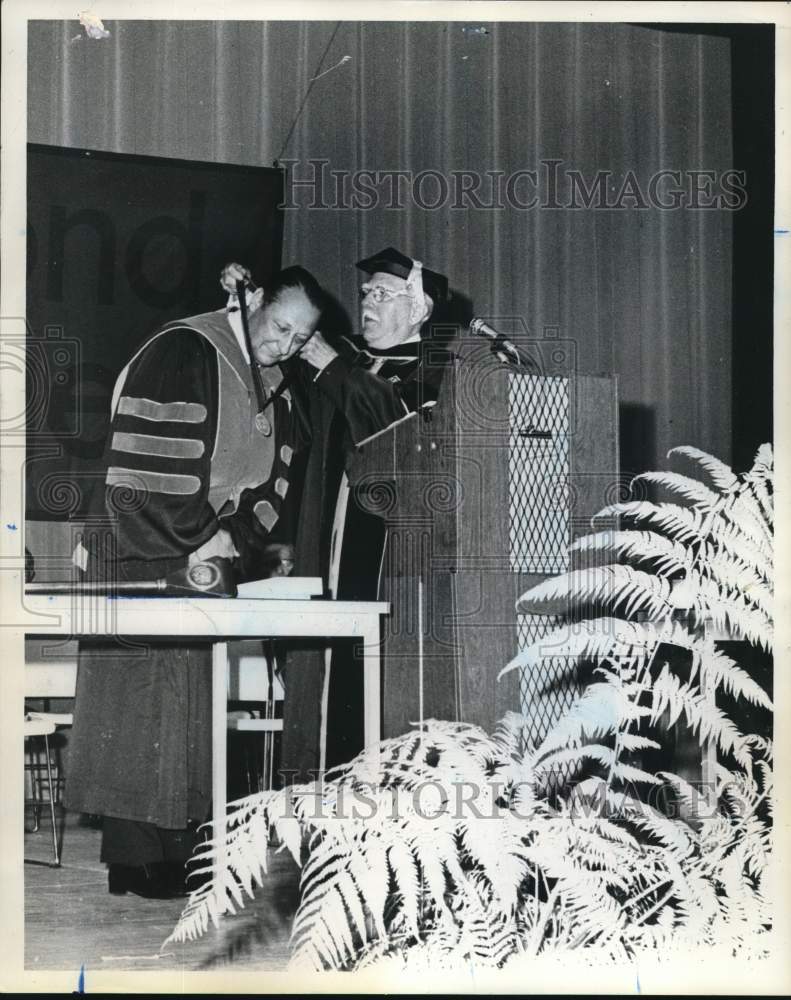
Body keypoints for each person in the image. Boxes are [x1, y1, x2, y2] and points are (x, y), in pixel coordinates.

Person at [63, 263, 324, 898]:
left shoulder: (278, 388)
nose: (284, 346)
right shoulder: (186, 348)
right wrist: (199, 532)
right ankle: (136, 860)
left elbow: (273, 486)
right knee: (139, 702)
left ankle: (179, 851)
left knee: (188, 702)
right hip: (141, 549)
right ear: (254, 300)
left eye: (299, 339)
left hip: (203, 557)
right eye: (280, 327)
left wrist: (234, 533)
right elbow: (147, 468)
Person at [296, 246, 452, 770]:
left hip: (392, 554)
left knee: (371, 672)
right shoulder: (351, 362)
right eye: (365, 293)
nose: (366, 302)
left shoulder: (438, 371)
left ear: (418, 309)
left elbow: (399, 429)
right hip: (331, 535)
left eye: (382, 294)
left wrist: (336, 371)